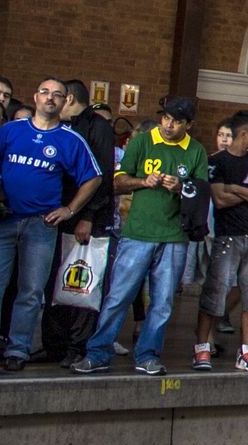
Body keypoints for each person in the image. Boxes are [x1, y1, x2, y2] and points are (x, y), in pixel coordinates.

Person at [80, 95, 208, 375]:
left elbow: (201, 192)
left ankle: (148, 354)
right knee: (119, 296)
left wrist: (181, 186)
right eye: (166, 118)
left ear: (189, 124)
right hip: (138, 231)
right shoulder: (142, 141)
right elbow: (117, 182)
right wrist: (142, 181)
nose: (168, 125)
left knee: (162, 302)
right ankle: (98, 352)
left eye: (176, 121)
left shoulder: (196, 151)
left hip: (175, 235)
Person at [0, 77, 104, 371]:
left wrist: (70, 209)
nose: (50, 98)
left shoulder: (70, 139)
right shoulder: (10, 131)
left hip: (41, 225)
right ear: (35, 96)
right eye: (45, 92)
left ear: (65, 101)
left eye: (57, 94)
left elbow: (94, 177)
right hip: (3, 221)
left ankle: (17, 350)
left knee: (30, 291)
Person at [38, 77, 117, 366]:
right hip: (58, 215)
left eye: (58, 97)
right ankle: (54, 344)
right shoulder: (63, 127)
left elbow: (102, 177)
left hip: (87, 218)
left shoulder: (98, 127)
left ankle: (77, 346)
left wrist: (87, 216)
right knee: (54, 283)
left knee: (83, 282)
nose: (54, 103)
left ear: (68, 99)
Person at [195, 111, 248, 372]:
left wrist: (237, 189)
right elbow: (219, 198)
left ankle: (247, 351)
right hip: (226, 236)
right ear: (244, 134)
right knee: (215, 293)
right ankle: (202, 348)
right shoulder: (216, 162)